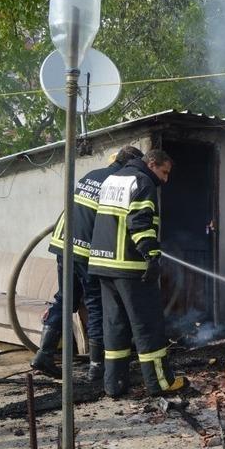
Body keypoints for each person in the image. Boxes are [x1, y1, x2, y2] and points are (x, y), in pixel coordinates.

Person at [31, 146, 144, 381]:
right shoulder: (118, 184)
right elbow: (118, 223)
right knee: (95, 305)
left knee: (65, 299)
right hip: (86, 251)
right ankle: (96, 366)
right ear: (129, 165)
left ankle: (44, 354)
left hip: (63, 244)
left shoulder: (91, 175)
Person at [88, 149, 188, 397]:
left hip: (104, 265)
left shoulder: (113, 179)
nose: (165, 179)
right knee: (148, 326)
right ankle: (160, 383)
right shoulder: (142, 182)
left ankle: (114, 384)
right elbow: (140, 222)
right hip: (130, 268)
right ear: (151, 164)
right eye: (164, 172)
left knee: (115, 326)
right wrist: (151, 255)